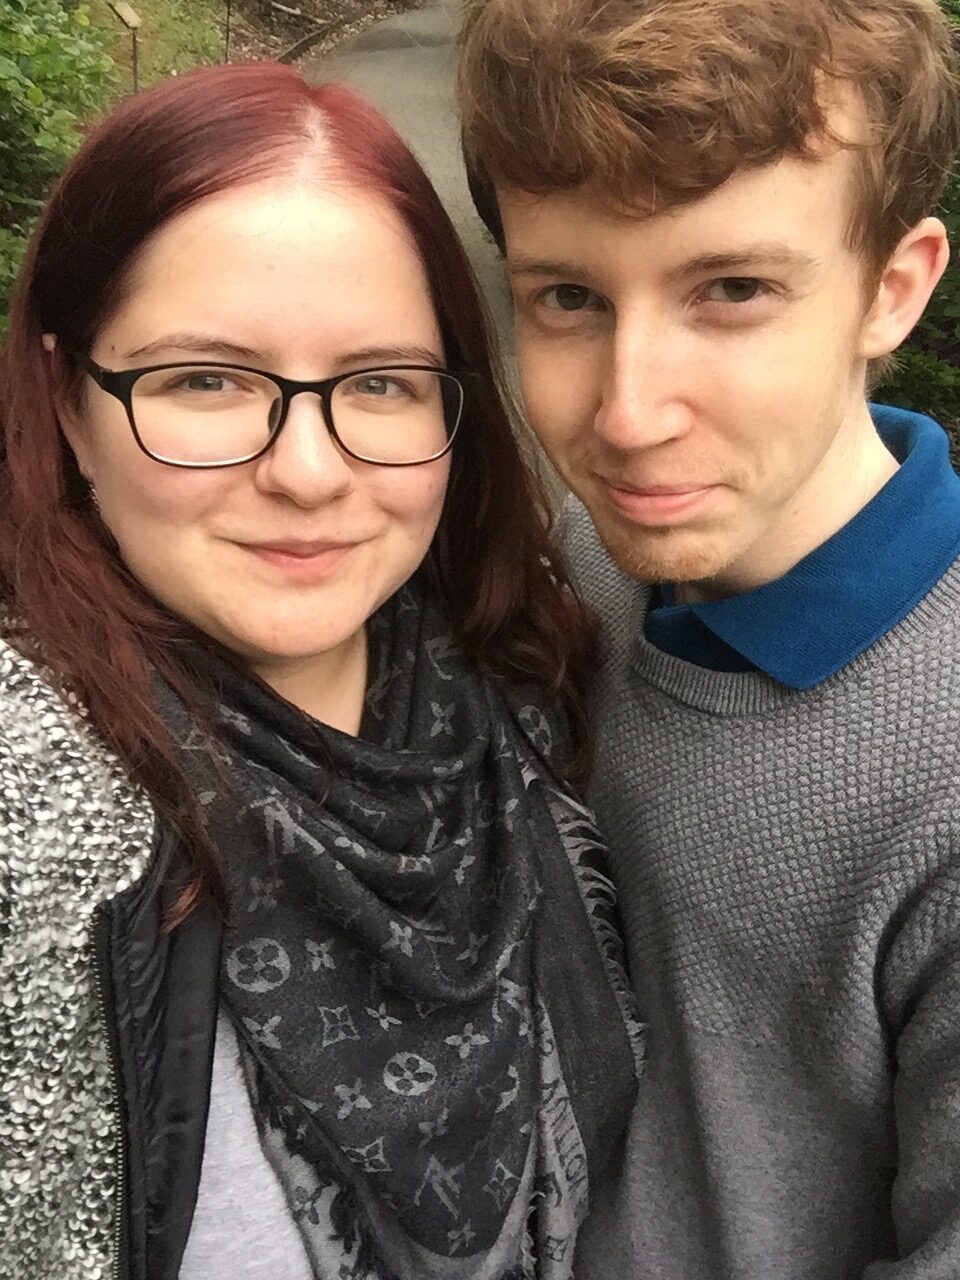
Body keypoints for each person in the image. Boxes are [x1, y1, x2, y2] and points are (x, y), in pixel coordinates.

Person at [0, 63, 643, 1280]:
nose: (306, 470)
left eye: (381, 382)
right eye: (205, 378)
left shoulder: (523, 693)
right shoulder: (28, 815)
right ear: (67, 401)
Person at [456, 0, 960, 1276]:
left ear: (891, 289)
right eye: (568, 296)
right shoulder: (598, 555)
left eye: (731, 289)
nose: (628, 415)